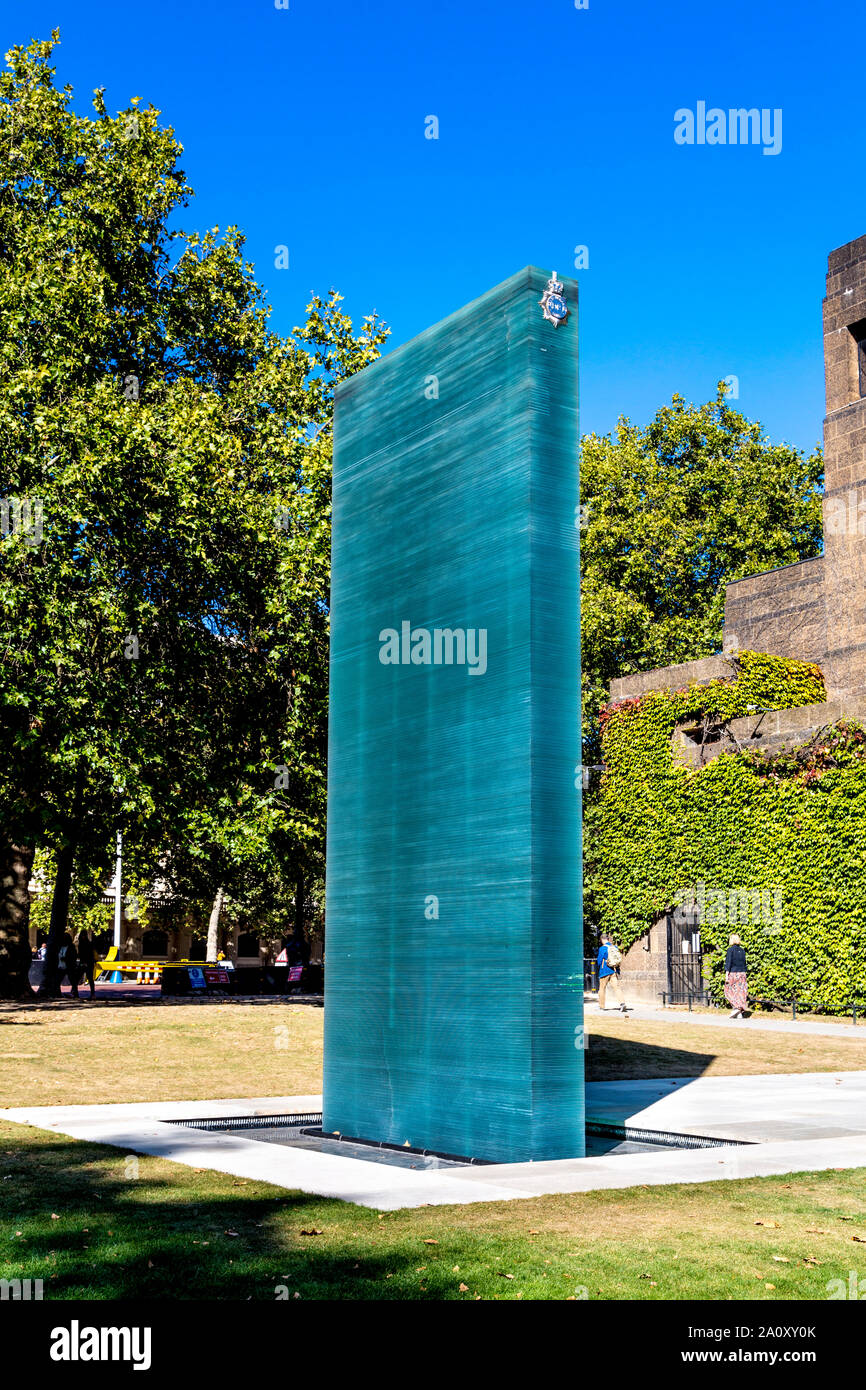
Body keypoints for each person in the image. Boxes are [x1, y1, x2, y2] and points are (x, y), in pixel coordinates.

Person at [597, 934, 629, 1012]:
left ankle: (602, 1006)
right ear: (608, 939)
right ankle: (622, 1003)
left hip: (604, 971)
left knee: (602, 988)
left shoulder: (602, 948)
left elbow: (599, 961)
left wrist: (600, 966)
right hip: (613, 970)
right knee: (617, 988)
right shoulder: (615, 947)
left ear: (602, 939)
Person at [724, 933, 748, 1018]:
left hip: (733, 973)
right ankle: (739, 1012)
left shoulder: (730, 950)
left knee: (728, 991)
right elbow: (744, 963)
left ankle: (737, 1008)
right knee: (740, 992)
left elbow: (728, 963)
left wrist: (727, 975)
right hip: (742, 973)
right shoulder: (742, 950)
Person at [77, 929, 97, 1000]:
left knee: (82, 978)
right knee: (90, 978)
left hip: (86, 963)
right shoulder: (88, 943)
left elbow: (85, 954)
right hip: (88, 963)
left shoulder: (83, 944)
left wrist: (84, 962)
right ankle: (92, 993)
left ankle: (75, 992)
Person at [59, 930, 79, 999]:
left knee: (73, 981)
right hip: (61, 966)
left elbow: (74, 956)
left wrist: (66, 959)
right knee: (58, 980)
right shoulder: (60, 947)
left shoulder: (71, 947)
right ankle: (58, 993)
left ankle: (75, 993)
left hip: (69, 966)